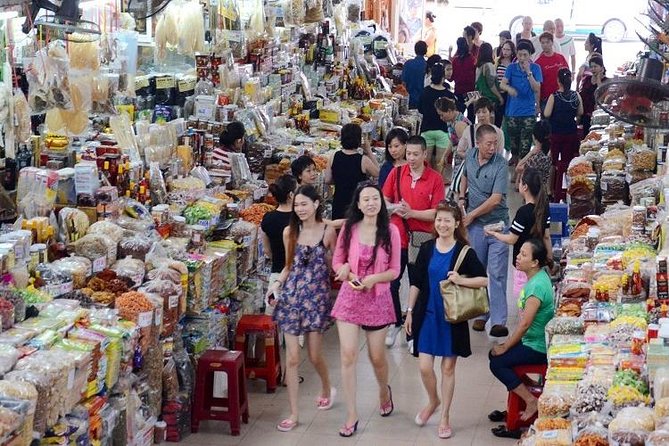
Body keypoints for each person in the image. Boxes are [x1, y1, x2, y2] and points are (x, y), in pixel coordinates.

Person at [405, 201, 487, 439]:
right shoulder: (427, 248)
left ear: (456, 223)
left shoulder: (464, 251)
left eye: (447, 220)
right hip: (427, 315)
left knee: (448, 368)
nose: (442, 224)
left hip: (452, 318)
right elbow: (416, 282)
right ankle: (433, 401)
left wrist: (461, 280)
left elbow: (483, 280)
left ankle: (444, 417)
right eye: (439, 220)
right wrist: (409, 310)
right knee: (424, 366)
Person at [331, 183, 402, 437]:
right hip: (350, 296)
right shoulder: (349, 229)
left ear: (381, 203)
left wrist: (372, 280)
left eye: (376, 198)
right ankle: (352, 414)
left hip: (378, 298)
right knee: (348, 355)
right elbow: (338, 260)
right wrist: (346, 272)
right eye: (366, 199)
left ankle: (384, 390)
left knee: (376, 357)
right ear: (358, 205)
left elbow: (395, 270)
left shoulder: (391, 231)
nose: (371, 203)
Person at [267, 185, 338, 432]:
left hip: (316, 299)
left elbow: (334, 264)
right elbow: (288, 266)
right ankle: (294, 414)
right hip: (292, 298)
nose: (300, 209)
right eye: (297, 205)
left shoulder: (328, 231)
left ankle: (327, 386)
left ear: (316, 204)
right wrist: (275, 284)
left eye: (304, 204)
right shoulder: (290, 231)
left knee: (315, 355)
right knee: (293, 358)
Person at [382, 136, 445, 348]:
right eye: (408, 153)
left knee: (418, 285)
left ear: (425, 154)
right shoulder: (397, 172)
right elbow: (385, 199)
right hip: (397, 237)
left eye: (415, 154)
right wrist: (394, 209)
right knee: (392, 282)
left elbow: (438, 213)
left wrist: (412, 213)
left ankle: (414, 331)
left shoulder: (435, 179)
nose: (411, 158)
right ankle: (395, 321)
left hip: (422, 240)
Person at [489, 239, 554, 430]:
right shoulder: (538, 277)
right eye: (519, 253)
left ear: (535, 262)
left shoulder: (536, 287)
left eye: (524, 254)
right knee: (494, 355)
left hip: (537, 346)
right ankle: (524, 394)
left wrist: (506, 345)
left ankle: (530, 400)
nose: (518, 257)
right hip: (533, 340)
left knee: (497, 362)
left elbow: (525, 324)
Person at [458, 124, 509, 337]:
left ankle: (498, 320)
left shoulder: (501, 164)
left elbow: (496, 200)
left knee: (496, 273)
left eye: (495, 143)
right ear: (477, 143)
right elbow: (465, 176)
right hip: (475, 228)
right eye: (489, 143)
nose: (493, 147)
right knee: (478, 270)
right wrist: (462, 197)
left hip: (497, 226)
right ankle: (481, 313)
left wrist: (471, 215)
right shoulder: (470, 155)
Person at [486, 168, 552, 299]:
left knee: (524, 299)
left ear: (525, 187)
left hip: (524, 264)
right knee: (537, 296)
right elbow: (546, 236)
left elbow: (512, 239)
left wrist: (494, 234)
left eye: (520, 181)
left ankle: (525, 319)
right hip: (538, 262)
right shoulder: (544, 208)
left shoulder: (523, 212)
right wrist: (550, 259)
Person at [500, 40, 542, 168]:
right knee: (514, 142)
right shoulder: (511, 68)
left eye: (525, 55)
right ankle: (516, 160)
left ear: (530, 55)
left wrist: (529, 72)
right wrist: (509, 89)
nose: (522, 58)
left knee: (526, 143)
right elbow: (502, 84)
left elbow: (536, 88)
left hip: (528, 112)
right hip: (513, 112)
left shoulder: (535, 68)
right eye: (519, 55)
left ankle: (520, 171)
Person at [325, 123, 379, 220]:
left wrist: (340, 180)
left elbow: (328, 180)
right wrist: (368, 150)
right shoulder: (363, 160)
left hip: (338, 203)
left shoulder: (333, 156)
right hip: (357, 204)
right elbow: (378, 173)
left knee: (339, 232)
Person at [544, 68, 583, 202]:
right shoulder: (576, 96)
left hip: (556, 134)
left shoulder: (554, 96)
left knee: (553, 162)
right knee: (568, 162)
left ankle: (550, 190)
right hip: (571, 134)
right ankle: (569, 188)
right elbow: (580, 112)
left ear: (558, 81)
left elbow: (547, 114)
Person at [261, 174, 298, 310]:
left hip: (276, 275)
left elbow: (267, 250)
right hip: (297, 277)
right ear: (291, 195)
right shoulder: (299, 219)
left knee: (274, 321)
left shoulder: (268, 218)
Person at [419, 64, 455, 171]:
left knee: (425, 163)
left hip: (427, 129)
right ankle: (438, 185)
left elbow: (420, 109)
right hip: (443, 131)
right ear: (443, 77)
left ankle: (425, 186)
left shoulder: (425, 92)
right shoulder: (448, 95)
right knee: (440, 164)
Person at [435, 97, 471, 183]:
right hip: (459, 158)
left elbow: (466, 148)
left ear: (450, 111)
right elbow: (452, 141)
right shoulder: (451, 120)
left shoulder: (459, 124)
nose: (441, 118)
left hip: (465, 160)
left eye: (442, 114)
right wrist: (445, 156)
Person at [516, 119, 553, 195]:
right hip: (543, 192)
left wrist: (530, 153)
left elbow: (518, 168)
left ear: (533, 136)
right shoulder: (550, 152)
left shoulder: (536, 157)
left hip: (531, 193)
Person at [534, 32, 568, 110]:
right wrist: (537, 104)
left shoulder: (560, 58)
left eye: (547, 42)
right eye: (543, 43)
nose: (545, 45)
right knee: (546, 121)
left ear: (552, 42)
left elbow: (567, 76)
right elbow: (537, 86)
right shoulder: (538, 63)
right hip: (546, 99)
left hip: (561, 97)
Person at [579, 55, 607, 135]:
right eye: (591, 67)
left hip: (599, 117)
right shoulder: (587, 79)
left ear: (601, 67)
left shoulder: (606, 81)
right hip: (586, 115)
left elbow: (602, 96)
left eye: (595, 66)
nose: (593, 69)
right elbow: (582, 95)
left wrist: (598, 79)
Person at [451, 37, 477, 118]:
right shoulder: (472, 59)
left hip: (458, 90)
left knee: (458, 114)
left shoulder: (455, 61)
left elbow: (451, 78)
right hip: (470, 90)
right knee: (471, 115)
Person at [475, 42, 504, 106]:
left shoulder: (478, 66)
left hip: (480, 97)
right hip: (490, 98)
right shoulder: (489, 65)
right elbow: (491, 85)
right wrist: (500, 97)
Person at [495, 40, 516, 129]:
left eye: (508, 50)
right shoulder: (498, 61)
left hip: (509, 93)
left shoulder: (514, 63)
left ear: (512, 51)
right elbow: (494, 78)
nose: (505, 52)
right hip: (499, 92)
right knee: (498, 118)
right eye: (504, 49)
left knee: (509, 117)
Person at [402, 41, 428, 109]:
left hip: (409, 99)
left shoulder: (408, 64)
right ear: (426, 50)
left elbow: (403, 83)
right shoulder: (427, 66)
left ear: (415, 50)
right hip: (423, 100)